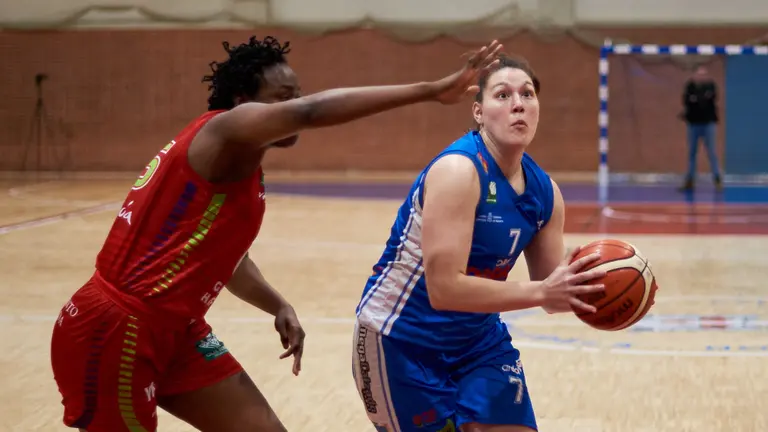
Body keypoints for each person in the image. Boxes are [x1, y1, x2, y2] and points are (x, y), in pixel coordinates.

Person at [49, 35, 504, 432]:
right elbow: (310, 112)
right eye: (280, 98)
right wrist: (430, 90)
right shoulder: (223, 133)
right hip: (116, 330)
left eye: (294, 95)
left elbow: (225, 259)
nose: (290, 107)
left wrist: (277, 303)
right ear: (244, 100)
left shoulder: (241, 162)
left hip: (176, 330)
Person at [352, 54, 607, 432]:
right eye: (502, 95)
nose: (518, 103)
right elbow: (444, 289)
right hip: (401, 340)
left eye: (528, 94)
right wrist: (542, 292)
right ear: (478, 112)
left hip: (477, 340)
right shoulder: (459, 170)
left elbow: (554, 292)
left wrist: (606, 288)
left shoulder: (546, 194)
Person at [680, 65, 722, 192]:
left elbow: (708, 101)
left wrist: (697, 100)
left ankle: (717, 179)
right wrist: (699, 100)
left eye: (704, 74)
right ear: (694, 75)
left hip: (708, 123)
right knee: (692, 152)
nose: (701, 77)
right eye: (699, 74)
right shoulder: (689, 87)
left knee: (711, 151)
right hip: (693, 124)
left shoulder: (711, 86)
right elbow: (687, 101)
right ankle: (690, 180)